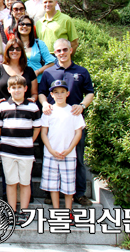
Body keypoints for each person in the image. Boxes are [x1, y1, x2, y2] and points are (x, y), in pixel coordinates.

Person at [38, 38, 94, 206]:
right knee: (51, 157)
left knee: (78, 158)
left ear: (70, 50)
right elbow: (41, 93)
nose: (61, 53)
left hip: (74, 120)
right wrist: (45, 103)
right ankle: (50, 193)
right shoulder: (49, 72)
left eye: (64, 50)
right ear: (55, 53)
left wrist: (83, 106)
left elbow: (90, 92)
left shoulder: (81, 71)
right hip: (53, 121)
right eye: (58, 51)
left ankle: (79, 193)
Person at [0, 75, 42, 221]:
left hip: (26, 152)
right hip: (8, 151)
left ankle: (24, 211)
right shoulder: (2, 106)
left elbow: (37, 128)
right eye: (13, 87)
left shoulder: (33, 106)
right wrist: (10, 140)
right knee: (11, 182)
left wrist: (28, 141)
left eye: (20, 87)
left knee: (25, 182)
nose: (17, 90)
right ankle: (12, 211)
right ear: (8, 89)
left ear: (26, 88)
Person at [40, 79, 85, 214]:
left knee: (69, 185)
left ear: (67, 93)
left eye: (62, 92)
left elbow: (78, 132)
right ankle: (56, 210)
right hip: (51, 153)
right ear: (51, 95)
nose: (59, 95)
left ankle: (68, 211)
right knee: (53, 184)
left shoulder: (73, 111)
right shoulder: (48, 111)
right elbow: (43, 133)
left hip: (68, 154)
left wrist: (70, 149)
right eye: (56, 92)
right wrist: (51, 150)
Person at [0, 38, 38, 106]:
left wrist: (32, 99)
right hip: (4, 108)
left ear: (22, 51)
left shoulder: (29, 70)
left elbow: (34, 94)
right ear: (7, 51)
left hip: (26, 108)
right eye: (11, 49)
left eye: (18, 49)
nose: (15, 51)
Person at [16, 14, 56, 83]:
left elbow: (52, 62)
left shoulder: (39, 44)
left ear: (32, 27)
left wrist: (37, 72)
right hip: (20, 82)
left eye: (28, 24)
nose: (25, 26)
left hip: (38, 81)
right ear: (17, 26)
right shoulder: (13, 44)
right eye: (22, 24)